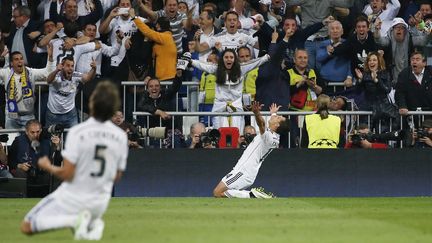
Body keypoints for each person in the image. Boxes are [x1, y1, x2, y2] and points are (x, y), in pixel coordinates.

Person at [20, 81, 128, 240]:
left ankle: (74, 220)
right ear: (113, 108)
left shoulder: (79, 132)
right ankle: (89, 223)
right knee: (83, 237)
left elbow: (67, 173)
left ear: (91, 104)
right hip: (100, 202)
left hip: (74, 195)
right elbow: (117, 176)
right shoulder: (120, 136)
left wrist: (47, 166)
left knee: (26, 226)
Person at [212, 101, 289, 199]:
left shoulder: (269, 137)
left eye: (278, 117)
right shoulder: (274, 137)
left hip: (243, 171)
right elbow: (265, 125)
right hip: (245, 171)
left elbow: (261, 124)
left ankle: (252, 194)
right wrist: (273, 113)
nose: (275, 116)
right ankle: (252, 195)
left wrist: (256, 113)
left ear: (277, 125)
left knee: (217, 193)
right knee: (222, 193)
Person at [190, 48, 270, 130]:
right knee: (220, 135)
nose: (229, 59)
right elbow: (202, 65)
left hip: (236, 108)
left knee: (237, 133)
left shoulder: (242, 69)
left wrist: (267, 56)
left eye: (231, 57)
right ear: (222, 59)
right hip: (220, 108)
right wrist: (191, 61)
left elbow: (255, 62)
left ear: (235, 59)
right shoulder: (216, 69)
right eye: (226, 57)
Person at [8, 119, 62, 197]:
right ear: (26, 131)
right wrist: (19, 165)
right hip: (24, 173)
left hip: (42, 174)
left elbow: (57, 163)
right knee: (19, 172)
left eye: (38, 132)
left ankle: (50, 199)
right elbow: (10, 161)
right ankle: (21, 198)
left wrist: (57, 147)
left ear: (41, 130)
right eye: (32, 132)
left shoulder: (47, 141)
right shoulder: (18, 141)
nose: (35, 135)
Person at [45, 55, 96, 127]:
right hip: (53, 114)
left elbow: (88, 78)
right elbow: (48, 80)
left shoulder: (75, 76)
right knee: (50, 136)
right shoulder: (56, 76)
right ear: (62, 66)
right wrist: (56, 70)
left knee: (73, 136)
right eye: (68, 66)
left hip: (70, 114)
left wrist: (94, 69)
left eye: (72, 66)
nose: (70, 68)